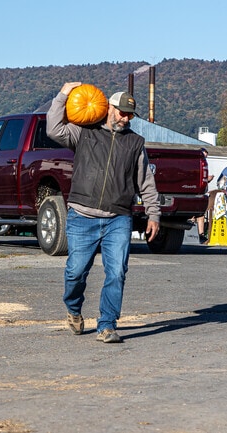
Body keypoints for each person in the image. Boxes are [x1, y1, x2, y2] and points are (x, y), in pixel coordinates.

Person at [46, 82, 160, 343]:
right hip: (81, 216)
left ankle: (107, 325)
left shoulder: (134, 143)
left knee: (117, 272)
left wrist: (154, 214)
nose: (125, 118)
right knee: (75, 272)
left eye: (130, 114)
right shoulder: (84, 132)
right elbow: (52, 128)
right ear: (109, 107)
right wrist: (63, 95)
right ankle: (74, 310)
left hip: (117, 218)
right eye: (121, 112)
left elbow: (145, 182)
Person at [196, 147, 214, 244]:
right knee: (193, 216)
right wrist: (207, 180)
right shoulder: (196, 165)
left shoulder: (203, 165)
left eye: (206, 157)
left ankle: (201, 234)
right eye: (203, 156)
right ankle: (191, 234)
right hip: (195, 193)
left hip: (203, 193)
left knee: (201, 215)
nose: (204, 159)